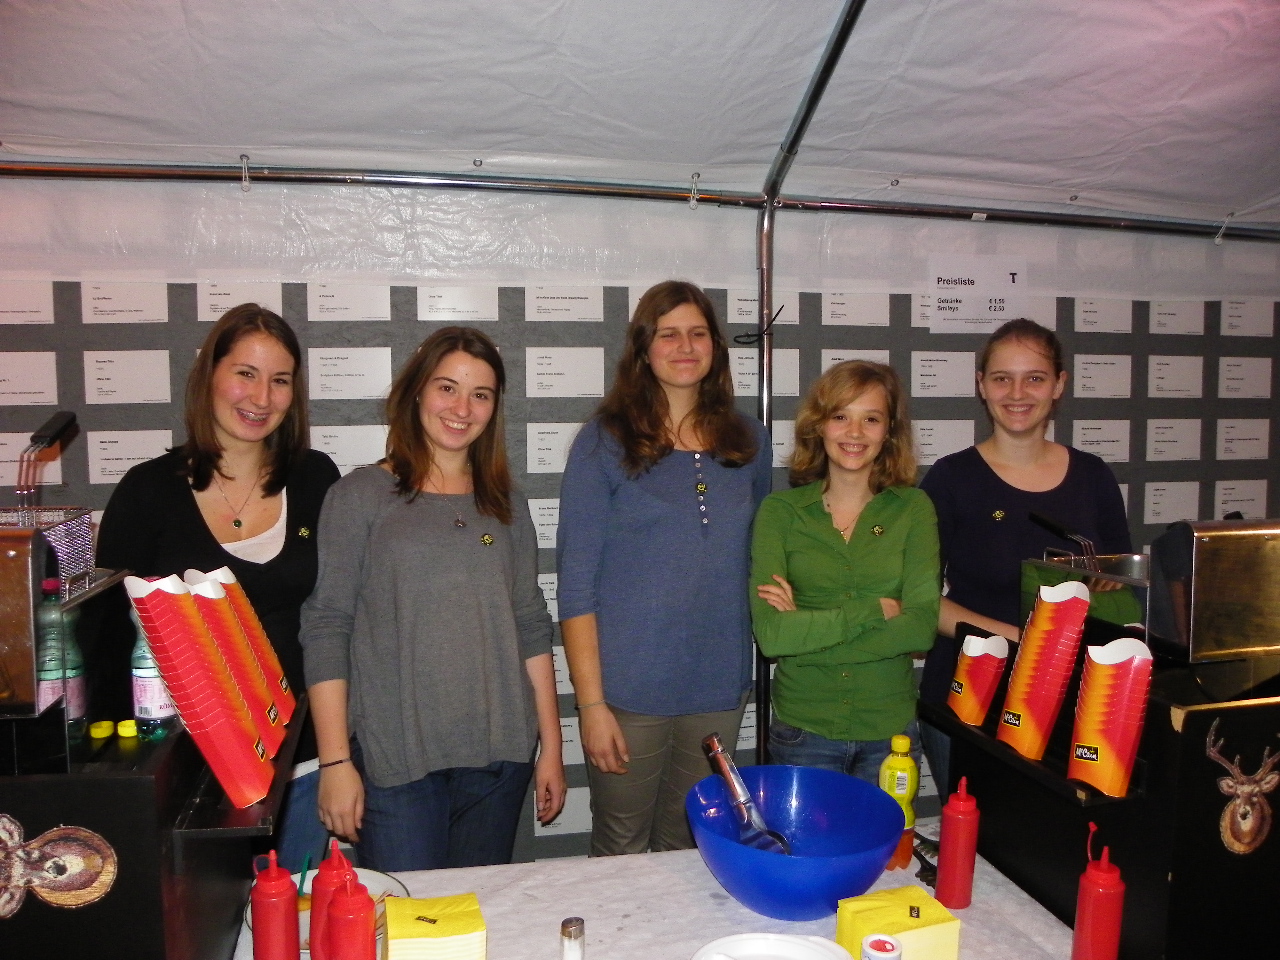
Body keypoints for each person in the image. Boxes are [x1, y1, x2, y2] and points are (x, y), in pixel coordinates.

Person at [301, 326, 565, 872]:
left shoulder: (506, 504)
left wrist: (553, 749)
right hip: (397, 762)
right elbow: (327, 626)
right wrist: (335, 762)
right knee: (409, 917)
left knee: (476, 912)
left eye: (480, 394)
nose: (462, 409)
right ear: (418, 391)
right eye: (447, 388)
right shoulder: (360, 496)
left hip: (500, 760)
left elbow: (530, 623)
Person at [95, 303, 341, 871]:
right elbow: (109, 643)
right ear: (210, 374)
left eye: (280, 380)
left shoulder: (316, 479)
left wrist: (338, 757)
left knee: (294, 916)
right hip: (187, 776)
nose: (261, 397)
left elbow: (341, 619)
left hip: (300, 764)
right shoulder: (147, 492)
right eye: (245, 373)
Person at [557, 280, 772, 856]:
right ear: (643, 349)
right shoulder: (603, 442)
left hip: (718, 687)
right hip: (628, 692)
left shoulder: (749, 440)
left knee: (690, 847)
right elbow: (576, 587)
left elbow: (763, 553)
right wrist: (591, 705)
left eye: (698, 333)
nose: (685, 346)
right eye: (668, 334)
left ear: (715, 347)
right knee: (621, 847)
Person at [917, 318, 1132, 792]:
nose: (1017, 393)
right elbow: (921, 601)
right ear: (982, 385)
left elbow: (1119, 592)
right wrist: (1026, 644)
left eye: (1034, 377)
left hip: (1072, 706)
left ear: (1059, 384)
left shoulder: (1094, 477)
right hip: (968, 696)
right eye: (1002, 378)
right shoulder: (951, 480)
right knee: (972, 831)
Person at [751, 360, 939, 783]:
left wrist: (805, 633)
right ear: (819, 425)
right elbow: (773, 636)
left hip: (890, 733)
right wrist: (875, 611)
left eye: (871, 419)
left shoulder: (913, 509)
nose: (855, 433)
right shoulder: (781, 513)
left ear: (889, 431)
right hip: (804, 729)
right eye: (840, 417)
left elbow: (920, 629)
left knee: (885, 832)